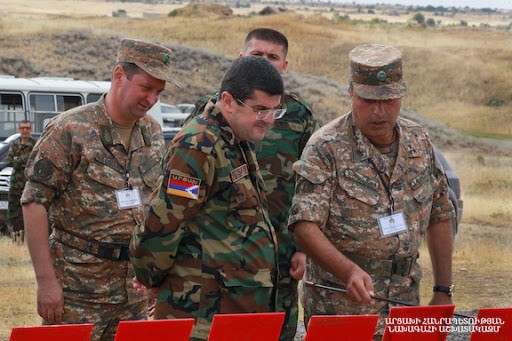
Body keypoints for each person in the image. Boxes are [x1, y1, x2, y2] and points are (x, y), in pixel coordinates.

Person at [288, 44, 454, 339]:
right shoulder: (326, 147)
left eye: (388, 100)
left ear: (401, 94)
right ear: (351, 93)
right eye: (367, 100)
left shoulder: (419, 141)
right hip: (340, 305)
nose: (379, 111)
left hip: (403, 298)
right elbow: (304, 225)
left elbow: (440, 214)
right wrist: (348, 271)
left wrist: (443, 289)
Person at [21, 38, 176, 341]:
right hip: (77, 290)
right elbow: (33, 203)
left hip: (132, 292)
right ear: (120, 76)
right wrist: (46, 282)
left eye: (159, 92)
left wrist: (153, 275)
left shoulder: (153, 133)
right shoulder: (70, 129)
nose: (152, 99)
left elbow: (154, 207)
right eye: (146, 87)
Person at [129, 55, 284, 340]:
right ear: (228, 101)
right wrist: (151, 277)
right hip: (201, 317)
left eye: (275, 110)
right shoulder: (198, 146)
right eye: (260, 110)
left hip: (230, 311)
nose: (269, 120)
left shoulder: (233, 139)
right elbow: (163, 224)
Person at [189, 28, 321, 340]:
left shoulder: (299, 115)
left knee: (277, 330)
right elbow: (191, 181)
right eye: (256, 56)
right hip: (222, 257)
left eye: (273, 58)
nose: (265, 63)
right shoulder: (213, 110)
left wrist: (303, 248)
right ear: (240, 60)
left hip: (281, 255)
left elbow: (311, 184)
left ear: (284, 66)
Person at [5, 120, 36, 242]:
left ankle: (29, 238)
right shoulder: (15, 143)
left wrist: (18, 160)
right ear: (19, 130)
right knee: (13, 210)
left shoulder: (35, 144)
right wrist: (22, 161)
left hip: (28, 183)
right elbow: (8, 160)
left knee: (29, 210)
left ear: (30, 130)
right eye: (22, 128)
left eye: (27, 128)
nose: (25, 130)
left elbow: (36, 160)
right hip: (15, 183)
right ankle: (16, 237)